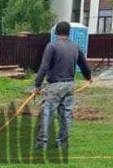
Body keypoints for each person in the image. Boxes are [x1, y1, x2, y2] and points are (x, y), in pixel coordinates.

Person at [34, 21, 92, 150]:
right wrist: (88, 77)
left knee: (47, 114)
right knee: (66, 115)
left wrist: (37, 84)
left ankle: (42, 143)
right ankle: (62, 143)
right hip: (69, 85)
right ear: (68, 32)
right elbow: (83, 64)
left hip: (54, 86)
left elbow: (44, 67)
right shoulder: (75, 46)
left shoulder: (52, 46)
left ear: (56, 32)